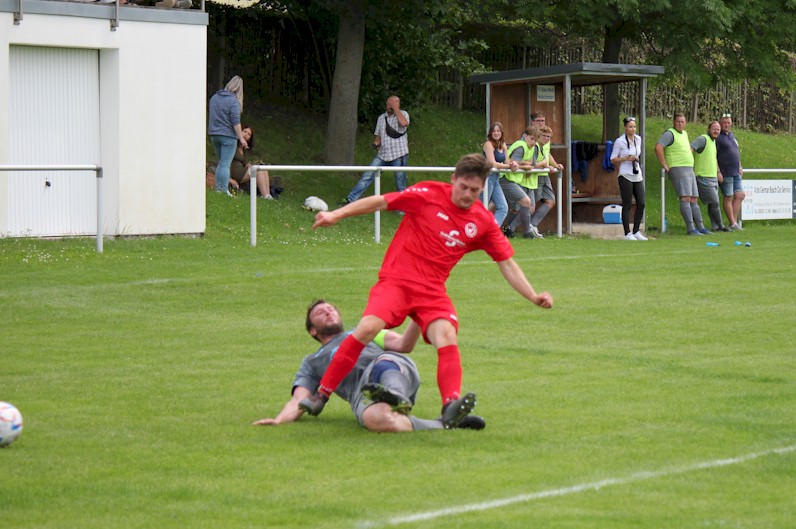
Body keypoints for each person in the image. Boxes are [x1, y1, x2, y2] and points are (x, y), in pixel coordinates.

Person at [299, 154, 554, 426]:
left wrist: (532, 295)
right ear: (453, 179)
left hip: (431, 290)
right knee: (367, 328)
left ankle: (450, 406)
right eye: (463, 188)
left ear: (482, 189)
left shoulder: (482, 222)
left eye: (475, 191)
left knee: (446, 334)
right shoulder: (428, 193)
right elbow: (382, 201)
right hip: (396, 281)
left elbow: (506, 263)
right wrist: (336, 214)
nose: (468, 195)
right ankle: (321, 396)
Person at [252, 300, 486, 432]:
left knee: (382, 362)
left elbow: (404, 345)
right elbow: (298, 400)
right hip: (361, 395)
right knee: (377, 420)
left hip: (394, 368)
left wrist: (418, 315)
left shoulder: (363, 332)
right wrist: (279, 420)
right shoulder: (312, 361)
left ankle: (394, 394)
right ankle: (445, 425)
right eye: (320, 313)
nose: (328, 310)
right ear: (312, 331)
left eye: (331, 308)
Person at [340, 96, 409, 205]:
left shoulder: (403, 114)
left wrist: (396, 108)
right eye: (388, 104)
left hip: (398, 154)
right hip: (383, 155)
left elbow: (404, 124)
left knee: (400, 182)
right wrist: (376, 144)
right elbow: (378, 137)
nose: (390, 107)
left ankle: (403, 206)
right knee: (367, 176)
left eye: (393, 104)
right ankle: (351, 199)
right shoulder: (381, 118)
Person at [654, 113, 710, 235]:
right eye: (678, 121)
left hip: (689, 169)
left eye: (682, 122)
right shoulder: (670, 133)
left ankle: (700, 227)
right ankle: (691, 228)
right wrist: (665, 164)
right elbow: (658, 147)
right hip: (678, 169)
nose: (680, 124)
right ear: (674, 122)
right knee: (685, 197)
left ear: (685, 123)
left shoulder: (684, 134)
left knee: (694, 198)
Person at [500, 126, 546, 239]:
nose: (533, 142)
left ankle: (508, 230)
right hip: (506, 178)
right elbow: (512, 163)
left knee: (515, 207)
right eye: (532, 139)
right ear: (525, 136)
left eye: (535, 140)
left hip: (515, 180)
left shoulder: (533, 147)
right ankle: (526, 232)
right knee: (520, 204)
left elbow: (532, 164)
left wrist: (527, 165)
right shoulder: (520, 146)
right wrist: (525, 164)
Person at [208, 75, 248, 197]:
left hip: (214, 134)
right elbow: (235, 122)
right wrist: (241, 138)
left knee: (221, 162)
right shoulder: (234, 102)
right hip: (228, 136)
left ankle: (218, 189)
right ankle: (223, 189)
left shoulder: (214, 98)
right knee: (225, 164)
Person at [610, 117, 647, 240]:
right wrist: (626, 158)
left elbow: (638, 154)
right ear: (625, 128)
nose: (633, 129)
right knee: (627, 204)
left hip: (637, 173)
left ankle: (636, 230)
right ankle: (627, 233)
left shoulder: (638, 139)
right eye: (630, 127)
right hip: (625, 174)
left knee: (641, 203)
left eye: (634, 126)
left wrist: (634, 159)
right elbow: (613, 159)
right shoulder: (620, 141)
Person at [529, 126, 565, 238]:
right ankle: (510, 229)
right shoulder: (533, 144)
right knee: (527, 206)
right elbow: (533, 163)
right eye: (544, 136)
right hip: (535, 176)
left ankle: (532, 225)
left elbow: (547, 155)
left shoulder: (544, 144)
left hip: (544, 175)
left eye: (548, 137)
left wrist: (555, 165)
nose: (546, 138)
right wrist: (545, 165)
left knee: (551, 200)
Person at [691, 121, 727, 232]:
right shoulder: (703, 139)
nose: (716, 131)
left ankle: (715, 227)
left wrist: (717, 172)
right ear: (709, 129)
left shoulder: (713, 142)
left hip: (712, 177)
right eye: (714, 129)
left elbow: (713, 159)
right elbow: (690, 149)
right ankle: (721, 226)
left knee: (713, 204)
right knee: (715, 202)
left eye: (718, 130)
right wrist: (688, 164)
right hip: (703, 176)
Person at [716, 114, 746, 231]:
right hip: (726, 171)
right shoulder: (718, 137)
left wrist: (740, 166)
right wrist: (718, 171)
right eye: (724, 123)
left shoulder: (732, 136)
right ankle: (733, 223)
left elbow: (735, 152)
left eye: (728, 123)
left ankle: (732, 223)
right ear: (720, 123)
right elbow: (714, 156)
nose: (726, 125)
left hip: (736, 171)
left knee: (740, 195)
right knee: (728, 196)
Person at [481, 122, 513, 226]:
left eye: (498, 131)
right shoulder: (488, 144)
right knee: (480, 207)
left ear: (501, 132)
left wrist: (513, 164)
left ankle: (490, 232)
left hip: (495, 179)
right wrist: (509, 167)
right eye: (494, 131)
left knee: (503, 208)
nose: (496, 133)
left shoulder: (503, 145)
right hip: (486, 178)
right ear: (490, 133)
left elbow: (507, 162)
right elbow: (492, 163)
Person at [229, 125, 273, 200]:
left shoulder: (244, 148)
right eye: (245, 131)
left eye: (249, 134)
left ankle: (268, 195)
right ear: (240, 131)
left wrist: (248, 165)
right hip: (235, 172)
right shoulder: (233, 144)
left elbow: (243, 162)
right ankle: (265, 196)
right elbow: (226, 161)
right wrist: (229, 178)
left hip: (241, 170)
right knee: (257, 171)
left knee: (263, 169)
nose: (246, 134)